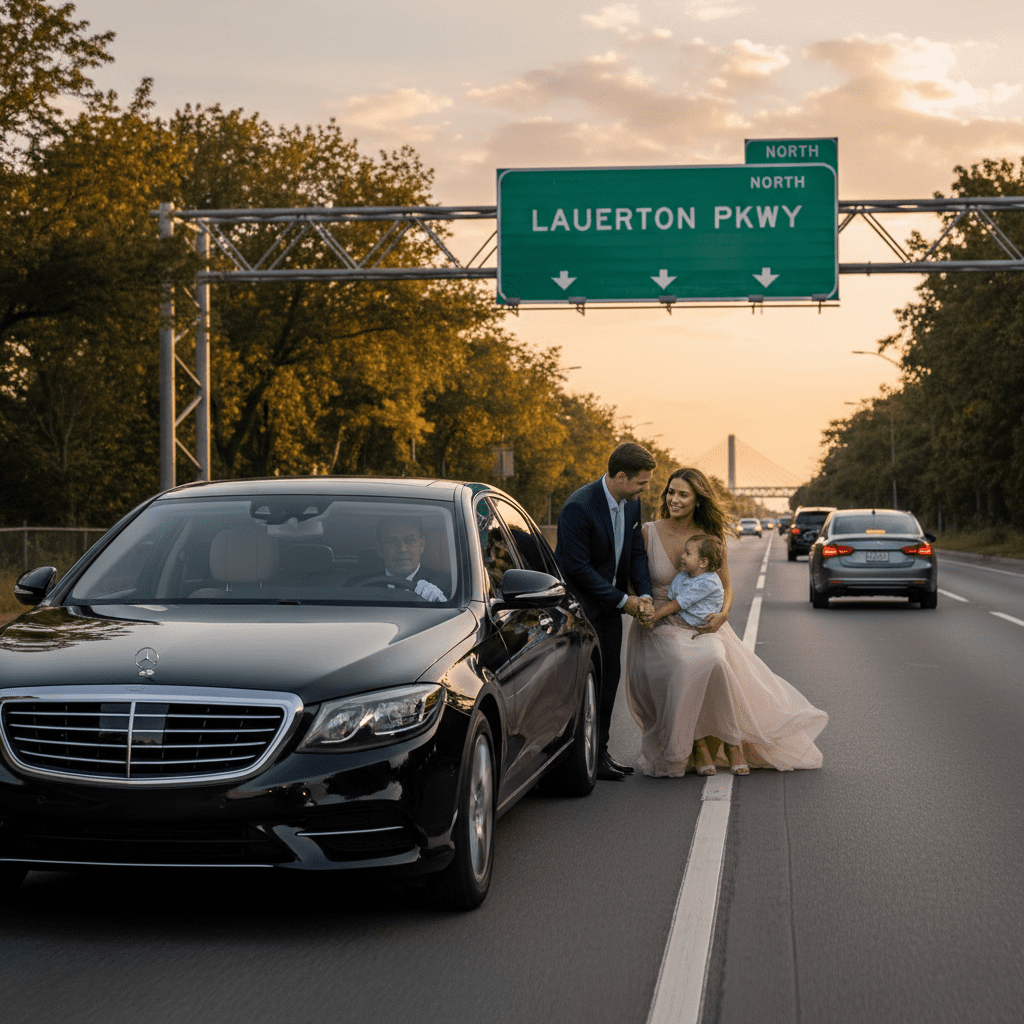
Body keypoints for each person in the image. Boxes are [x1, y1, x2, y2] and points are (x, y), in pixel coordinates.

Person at [625, 467, 827, 777]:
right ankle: (694, 745)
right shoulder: (648, 532)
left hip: (703, 623)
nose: (674, 500)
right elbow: (631, 580)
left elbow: (726, 586)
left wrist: (724, 614)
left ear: (697, 501)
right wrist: (641, 606)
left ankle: (730, 741)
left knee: (716, 660)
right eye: (671, 492)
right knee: (683, 663)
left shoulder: (709, 539)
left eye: (683, 494)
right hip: (659, 626)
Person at [555, 442, 657, 781]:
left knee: (609, 679)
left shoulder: (631, 505)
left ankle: (599, 754)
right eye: (642, 482)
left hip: (611, 608)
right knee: (586, 684)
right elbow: (578, 568)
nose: (647, 488)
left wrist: (643, 593)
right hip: (580, 611)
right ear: (622, 476)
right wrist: (623, 600)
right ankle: (575, 756)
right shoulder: (578, 508)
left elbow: (637, 553)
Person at [353, 516, 451, 602]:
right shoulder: (359, 587)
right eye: (392, 541)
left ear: (422, 545)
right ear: (380, 549)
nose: (402, 549)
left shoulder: (447, 588)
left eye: (410, 540)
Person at [650, 534, 726, 630]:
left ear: (703, 562)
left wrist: (654, 617)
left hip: (694, 623)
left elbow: (677, 604)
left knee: (660, 626)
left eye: (688, 553)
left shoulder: (708, 582)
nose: (682, 556)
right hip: (685, 615)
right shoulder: (687, 574)